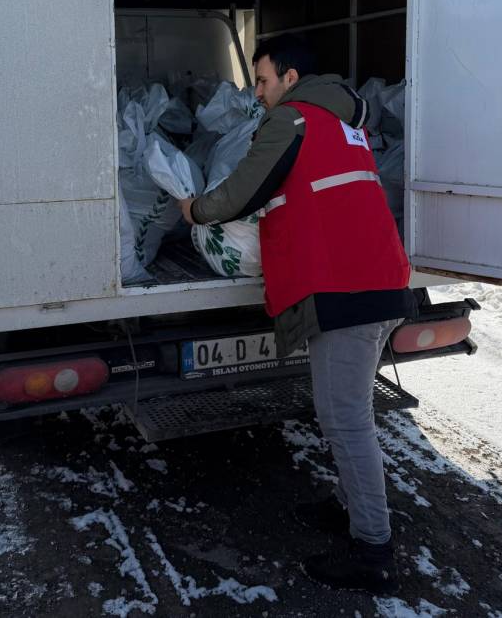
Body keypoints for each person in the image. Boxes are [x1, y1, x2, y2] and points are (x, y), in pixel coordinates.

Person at [179, 34, 412, 595]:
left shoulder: (295, 120)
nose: (256, 93)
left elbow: (240, 192)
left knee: (344, 418)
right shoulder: (342, 123)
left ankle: (373, 551)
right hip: (376, 278)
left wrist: (195, 209)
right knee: (347, 413)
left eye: (261, 80)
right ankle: (351, 508)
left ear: (289, 78)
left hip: (343, 287)